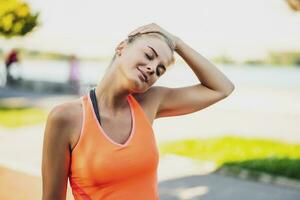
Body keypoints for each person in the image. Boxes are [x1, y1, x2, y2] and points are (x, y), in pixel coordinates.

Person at [41, 23, 235, 200]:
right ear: (121, 48)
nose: (152, 68)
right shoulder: (66, 118)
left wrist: (178, 43)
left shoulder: (150, 103)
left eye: (160, 70)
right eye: (149, 55)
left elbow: (222, 88)